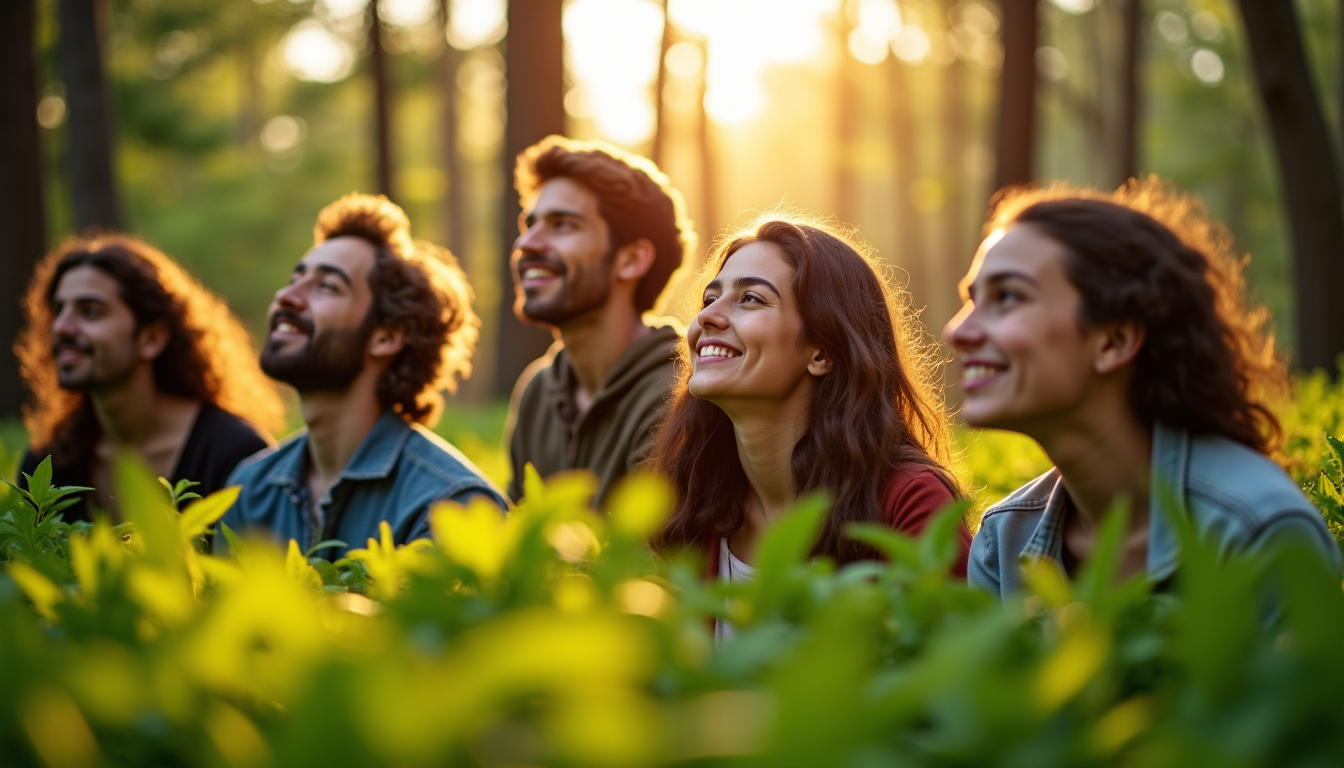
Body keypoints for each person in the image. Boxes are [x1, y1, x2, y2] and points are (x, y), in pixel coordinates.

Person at [946, 180, 1342, 599]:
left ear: (1113, 340)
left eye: (1007, 296)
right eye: (971, 301)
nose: (957, 330)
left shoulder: (1257, 531)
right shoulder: (1004, 542)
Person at [649, 215, 969, 623]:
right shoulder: (690, 502)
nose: (707, 317)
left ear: (822, 351)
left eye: (751, 299)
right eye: (710, 300)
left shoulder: (908, 502)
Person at [219, 193, 506, 559]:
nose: (287, 296)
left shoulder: (449, 506)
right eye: (296, 278)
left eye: (327, 286)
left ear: (385, 337)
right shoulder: (249, 489)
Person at [15, 234, 283, 520]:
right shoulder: (48, 466)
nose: (61, 328)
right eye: (58, 310)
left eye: (90, 312)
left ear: (152, 338)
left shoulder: (234, 455)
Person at [505, 136, 694, 508]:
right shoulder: (537, 391)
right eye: (529, 224)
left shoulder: (681, 393)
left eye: (563, 225)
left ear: (631, 259)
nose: (527, 243)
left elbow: (650, 559)